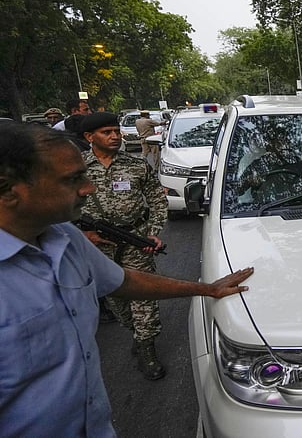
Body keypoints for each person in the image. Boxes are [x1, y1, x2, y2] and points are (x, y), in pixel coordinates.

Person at [0, 122, 252, 436]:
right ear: (10, 190)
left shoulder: (62, 237)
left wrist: (206, 288)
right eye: (72, 179)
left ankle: (145, 343)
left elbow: (125, 281)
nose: (87, 188)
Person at [79, 112, 171, 380]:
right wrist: (83, 236)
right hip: (97, 248)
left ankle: (146, 346)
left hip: (135, 242)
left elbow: (157, 200)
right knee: (116, 300)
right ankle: (135, 331)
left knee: (144, 294)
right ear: (89, 137)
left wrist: (152, 233)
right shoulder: (76, 169)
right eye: (107, 132)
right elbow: (58, 208)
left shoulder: (136, 166)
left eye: (116, 131)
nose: (115, 136)